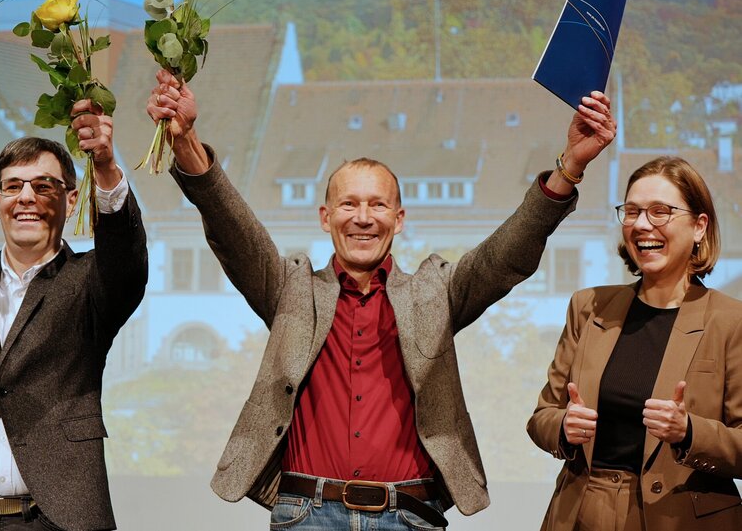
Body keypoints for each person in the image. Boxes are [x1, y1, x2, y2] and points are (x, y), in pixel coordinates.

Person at [146, 68, 616, 530]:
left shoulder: (436, 292)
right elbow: (233, 230)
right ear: (325, 218)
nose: (363, 217)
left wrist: (569, 166)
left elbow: (504, 255)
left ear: (400, 218)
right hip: (308, 513)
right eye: (349, 204)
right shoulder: (290, 289)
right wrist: (186, 140)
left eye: (378, 205)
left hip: (409, 515)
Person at [527, 156, 742, 531]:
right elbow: (542, 416)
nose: (642, 224)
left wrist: (689, 432)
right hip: (581, 513)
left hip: (678, 518)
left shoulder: (730, 321)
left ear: (699, 226)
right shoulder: (589, 306)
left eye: (660, 212)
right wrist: (563, 426)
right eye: (632, 211)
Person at [0, 100, 148, 531]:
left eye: (43, 186)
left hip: (54, 520)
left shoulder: (88, 282)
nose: (26, 197)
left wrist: (104, 165)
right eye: (13, 186)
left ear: (71, 198)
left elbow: (125, 258)